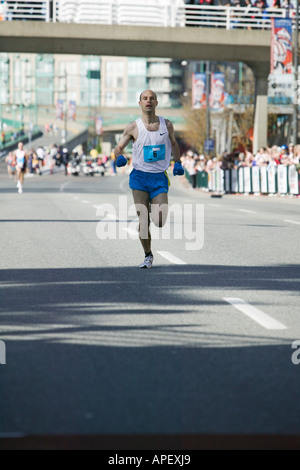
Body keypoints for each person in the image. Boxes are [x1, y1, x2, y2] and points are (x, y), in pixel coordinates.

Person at [114, 89, 184, 269]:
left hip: (159, 178)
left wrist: (177, 162)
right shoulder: (133, 127)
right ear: (139, 103)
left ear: (156, 103)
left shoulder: (166, 125)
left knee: (159, 221)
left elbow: (174, 144)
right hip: (139, 178)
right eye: (145, 99)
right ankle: (148, 255)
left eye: (152, 98)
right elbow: (118, 147)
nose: (148, 101)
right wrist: (119, 157)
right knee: (143, 220)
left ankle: (155, 207)